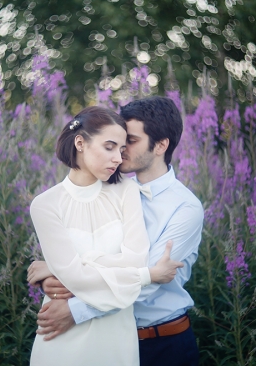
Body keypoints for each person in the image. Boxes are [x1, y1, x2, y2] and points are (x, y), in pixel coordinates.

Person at [32, 96, 204, 366]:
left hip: (162, 343)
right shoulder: (107, 189)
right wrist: (60, 268)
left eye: (130, 143)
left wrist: (75, 308)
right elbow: (96, 259)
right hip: (105, 337)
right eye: (115, 143)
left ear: (160, 145)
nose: (120, 153)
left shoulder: (185, 208)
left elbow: (146, 275)